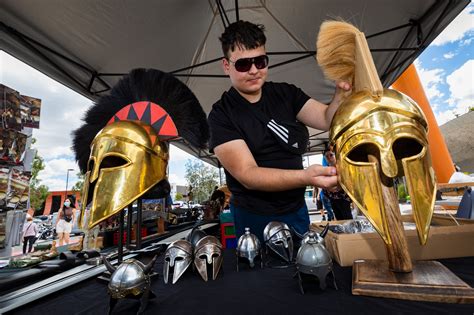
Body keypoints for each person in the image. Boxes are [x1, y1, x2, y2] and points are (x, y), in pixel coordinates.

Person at [208, 21, 351, 241]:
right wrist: (306, 177)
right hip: (253, 217)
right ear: (226, 66)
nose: (254, 70)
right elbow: (248, 175)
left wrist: (341, 93)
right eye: (243, 65)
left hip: (296, 210)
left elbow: (325, 119)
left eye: (260, 61)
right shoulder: (221, 115)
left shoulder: (286, 93)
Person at [323, 148, 353, 220]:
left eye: (331, 155)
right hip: (333, 198)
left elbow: (348, 181)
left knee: (347, 218)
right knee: (339, 217)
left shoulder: (342, 167)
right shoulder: (326, 169)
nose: (329, 158)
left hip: (343, 198)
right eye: (327, 156)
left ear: (335, 155)